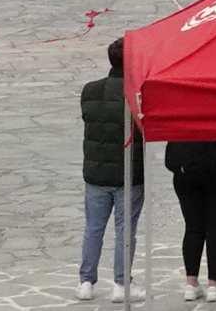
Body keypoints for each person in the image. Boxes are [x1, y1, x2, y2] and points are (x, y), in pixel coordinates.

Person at [79, 36, 140, 292]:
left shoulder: (90, 90)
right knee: (125, 231)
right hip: (129, 174)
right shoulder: (134, 96)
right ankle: (121, 283)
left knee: (93, 229)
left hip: (96, 173)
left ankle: (85, 281)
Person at [166, 135, 216, 301]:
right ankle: (213, 286)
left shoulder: (182, 108)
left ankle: (191, 283)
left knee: (193, 228)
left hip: (188, 169)